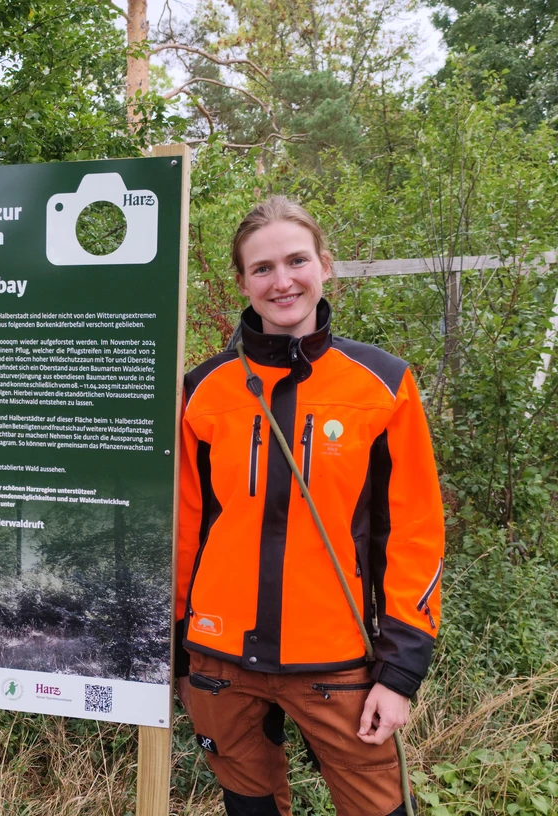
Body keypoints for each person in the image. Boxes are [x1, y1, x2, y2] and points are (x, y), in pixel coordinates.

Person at [175, 197, 444, 816]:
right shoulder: (203, 390)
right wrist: (179, 658)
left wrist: (400, 674)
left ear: (325, 264)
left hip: (338, 664)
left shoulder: (382, 383)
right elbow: (185, 530)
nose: (282, 281)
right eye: (262, 268)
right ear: (242, 281)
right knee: (248, 807)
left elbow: (414, 533)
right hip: (219, 661)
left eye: (297, 260)